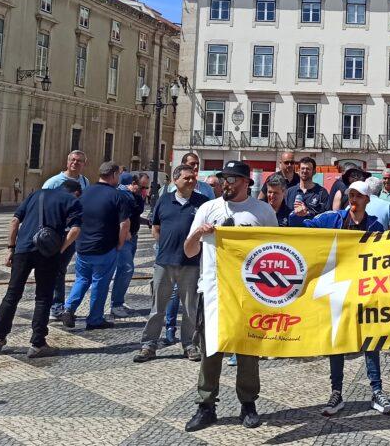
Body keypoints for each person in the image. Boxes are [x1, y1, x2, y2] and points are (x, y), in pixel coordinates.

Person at [183, 161, 278, 432]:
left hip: (249, 294)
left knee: (248, 350)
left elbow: (274, 248)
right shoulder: (207, 209)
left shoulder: (262, 211)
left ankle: (248, 404)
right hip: (213, 291)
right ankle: (206, 405)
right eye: (225, 178)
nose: (227, 183)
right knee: (211, 349)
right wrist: (199, 234)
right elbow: (189, 251)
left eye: (233, 179)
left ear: (246, 182)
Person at [288, 180, 390, 415]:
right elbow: (304, 227)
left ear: (367, 200)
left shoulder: (375, 227)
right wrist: (298, 216)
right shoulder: (333, 219)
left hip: (365, 293)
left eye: (358, 196)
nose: (354, 199)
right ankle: (336, 392)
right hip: (337, 292)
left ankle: (377, 391)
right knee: (336, 341)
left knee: (370, 342)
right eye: (351, 195)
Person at [0, 180, 82, 357]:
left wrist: (11, 248)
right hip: (47, 253)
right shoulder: (72, 201)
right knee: (43, 297)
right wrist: (61, 249)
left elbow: (14, 220)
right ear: (76, 192)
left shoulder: (36, 194)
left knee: (12, 293)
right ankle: (37, 343)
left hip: (23, 249)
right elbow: (76, 230)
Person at [134, 164, 207, 363]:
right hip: (164, 262)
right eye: (187, 178)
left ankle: (189, 345)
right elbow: (155, 227)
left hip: (191, 264)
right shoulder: (164, 201)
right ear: (176, 180)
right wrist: (164, 245)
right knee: (158, 307)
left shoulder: (203, 203)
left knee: (190, 308)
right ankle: (149, 345)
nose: (191, 181)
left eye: (193, 178)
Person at [60, 162, 131, 330]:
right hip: (104, 247)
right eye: (118, 175)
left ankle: (69, 308)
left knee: (82, 278)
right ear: (113, 174)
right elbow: (125, 224)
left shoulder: (85, 192)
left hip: (83, 245)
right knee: (100, 282)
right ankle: (95, 318)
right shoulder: (118, 196)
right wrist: (120, 244)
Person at [44, 150, 92, 320]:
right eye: (72, 160)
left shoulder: (85, 182)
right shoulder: (54, 182)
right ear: (67, 162)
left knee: (61, 268)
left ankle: (56, 304)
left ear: (84, 164)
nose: (75, 163)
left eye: (79, 161)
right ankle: (55, 305)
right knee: (57, 268)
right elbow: (42, 204)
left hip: (75, 232)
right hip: (55, 232)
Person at [111, 172, 147, 319]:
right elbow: (120, 217)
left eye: (146, 187)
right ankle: (116, 304)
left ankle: (117, 302)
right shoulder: (122, 195)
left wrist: (148, 222)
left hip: (132, 237)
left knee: (125, 270)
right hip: (124, 237)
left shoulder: (136, 195)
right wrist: (124, 233)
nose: (144, 190)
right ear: (132, 183)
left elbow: (134, 216)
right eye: (142, 186)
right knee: (126, 269)